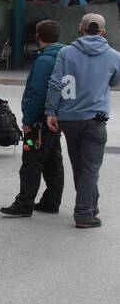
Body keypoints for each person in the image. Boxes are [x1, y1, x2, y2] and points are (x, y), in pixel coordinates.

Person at [44, 12, 120, 228]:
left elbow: (55, 83)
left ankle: (90, 205)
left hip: (68, 119)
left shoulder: (66, 53)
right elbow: (115, 80)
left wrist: (51, 111)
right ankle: (85, 212)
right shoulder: (114, 55)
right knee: (91, 168)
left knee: (80, 166)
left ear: (80, 29)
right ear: (103, 31)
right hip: (95, 120)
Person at [0, 20, 65, 217]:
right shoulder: (64, 57)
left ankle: (24, 203)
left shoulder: (44, 61)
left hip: (37, 121)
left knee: (31, 161)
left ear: (38, 36)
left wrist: (27, 120)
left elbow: (36, 94)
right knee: (53, 160)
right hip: (56, 118)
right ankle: (51, 201)